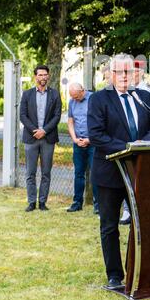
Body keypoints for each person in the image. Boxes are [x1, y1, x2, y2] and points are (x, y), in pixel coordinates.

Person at [87, 54, 150, 289]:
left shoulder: (144, 97)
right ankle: (115, 276)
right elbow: (97, 135)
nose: (124, 76)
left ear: (134, 73)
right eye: (118, 72)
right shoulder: (99, 99)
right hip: (109, 172)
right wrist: (130, 148)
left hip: (140, 172)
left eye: (128, 72)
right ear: (110, 74)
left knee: (143, 224)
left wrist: (143, 144)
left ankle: (140, 272)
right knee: (110, 226)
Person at [120, 59, 150, 225]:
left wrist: (144, 141)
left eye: (136, 72)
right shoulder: (122, 90)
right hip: (125, 143)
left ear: (142, 72)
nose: (132, 75)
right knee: (126, 177)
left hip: (143, 142)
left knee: (142, 178)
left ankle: (142, 211)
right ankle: (127, 210)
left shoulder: (149, 91)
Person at [20, 65, 62, 212]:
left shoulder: (55, 94)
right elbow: (23, 115)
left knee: (46, 172)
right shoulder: (27, 94)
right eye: (40, 75)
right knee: (30, 172)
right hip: (31, 138)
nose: (43, 77)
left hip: (48, 138)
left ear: (48, 76)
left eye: (45, 75)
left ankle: (42, 202)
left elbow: (57, 116)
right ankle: (31, 202)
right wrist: (35, 130)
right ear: (35, 77)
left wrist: (44, 131)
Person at [66, 83, 99, 214]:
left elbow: (100, 122)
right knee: (78, 173)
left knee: (95, 174)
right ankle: (77, 202)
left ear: (82, 91)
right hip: (78, 143)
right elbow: (70, 121)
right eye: (72, 97)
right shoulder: (72, 102)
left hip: (93, 143)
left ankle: (98, 205)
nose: (74, 99)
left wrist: (89, 139)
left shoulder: (94, 100)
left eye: (76, 96)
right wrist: (75, 139)